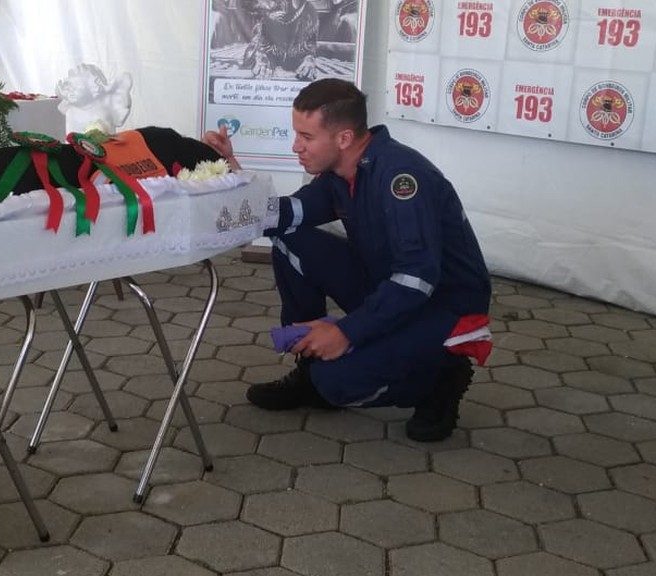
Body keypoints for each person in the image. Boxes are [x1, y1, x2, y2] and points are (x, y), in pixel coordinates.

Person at [203, 78, 492, 442]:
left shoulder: (401, 177)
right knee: (289, 238)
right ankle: (310, 366)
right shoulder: (341, 172)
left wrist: (346, 332)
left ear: (343, 138)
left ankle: (440, 377)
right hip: (391, 286)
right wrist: (229, 171)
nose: (296, 146)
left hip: (445, 309)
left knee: (336, 383)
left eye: (306, 137)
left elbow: (418, 278)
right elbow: (285, 215)